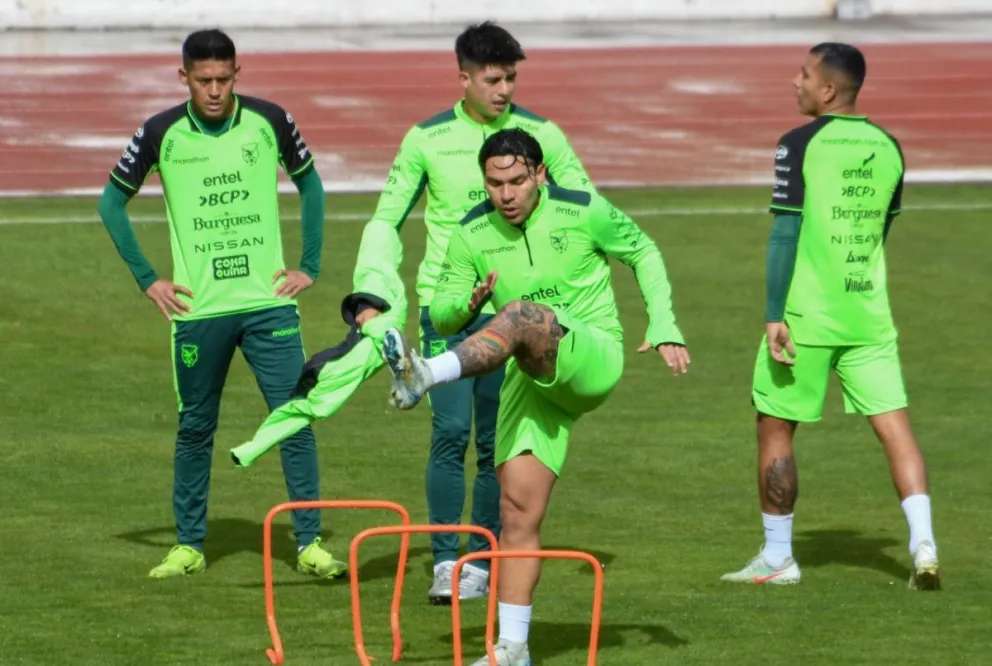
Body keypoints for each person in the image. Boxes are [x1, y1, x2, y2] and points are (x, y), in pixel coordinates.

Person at [382, 127, 690, 665]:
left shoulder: (584, 210)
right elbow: (443, 312)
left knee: (522, 314)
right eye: (494, 183)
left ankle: (425, 375)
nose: (506, 194)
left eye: (517, 181)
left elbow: (644, 250)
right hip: (530, 377)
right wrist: (466, 304)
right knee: (517, 512)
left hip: (592, 354)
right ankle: (513, 648)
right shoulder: (470, 231)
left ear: (539, 175)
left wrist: (663, 323)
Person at [353, 20, 595, 605]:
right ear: (463, 77)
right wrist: (370, 291)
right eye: (492, 79)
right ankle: (445, 561)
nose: (504, 90)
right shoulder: (426, 140)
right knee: (450, 432)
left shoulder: (543, 136)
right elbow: (386, 218)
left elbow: (587, 211)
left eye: (511, 78)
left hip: (519, 318)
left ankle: (481, 561)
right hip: (449, 313)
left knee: (493, 442)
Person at [97, 28, 346, 580]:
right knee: (195, 428)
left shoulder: (270, 120)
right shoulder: (160, 132)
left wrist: (309, 265)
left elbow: (311, 185)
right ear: (183, 77)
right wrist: (148, 280)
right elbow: (111, 203)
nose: (214, 90)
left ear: (238, 74)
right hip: (198, 312)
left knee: (294, 417)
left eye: (223, 79)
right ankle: (189, 545)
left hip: (268, 307)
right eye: (203, 80)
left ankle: (309, 543)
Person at [719, 42, 941, 590]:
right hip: (867, 313)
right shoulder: (889, 146)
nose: (794, 82)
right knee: (895, 429)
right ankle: (924, 545)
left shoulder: (799, 143)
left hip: (806, 317)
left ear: (828, 89)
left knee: (775, 427)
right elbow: (881, 229)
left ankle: (778, 558)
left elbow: (786, 232)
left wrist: (774, 312)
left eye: (803, 74)